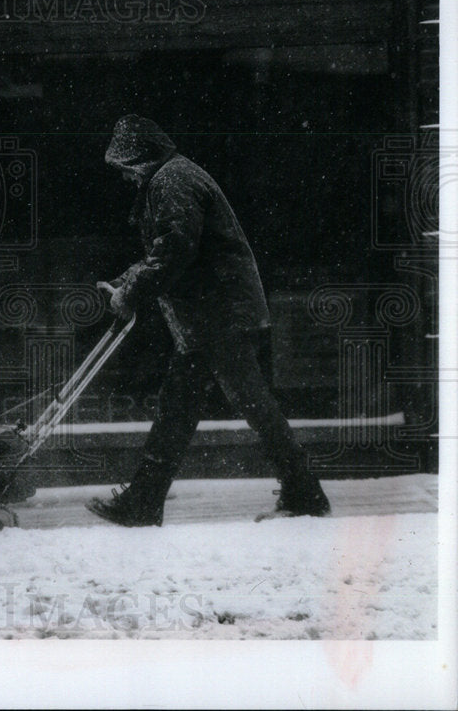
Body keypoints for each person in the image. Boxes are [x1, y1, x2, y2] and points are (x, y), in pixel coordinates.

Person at [86, 115, 330, 526]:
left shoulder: (171, 181)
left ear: (140, 158)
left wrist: (130, 292)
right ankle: (144, 501)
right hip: (213, 317)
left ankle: (304, 492)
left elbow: (175, 249)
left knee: (246, 406)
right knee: (181, 410)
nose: (126, 178)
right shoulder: (174, 176)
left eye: (126, 169)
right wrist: (125, 283)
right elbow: (168, 250)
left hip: (220, 317)